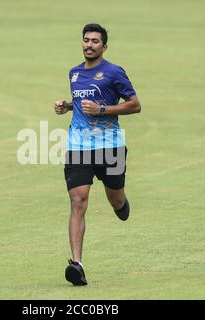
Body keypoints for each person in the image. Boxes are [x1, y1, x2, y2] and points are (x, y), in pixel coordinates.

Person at [54, 23, 142, 286]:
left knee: (115, 198)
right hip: (79, 146)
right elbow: (83, 105)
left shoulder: (114, 72)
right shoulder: (74, 73)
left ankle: (121, 202)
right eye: (86, 40)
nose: (89, 45)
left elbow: (135, 105)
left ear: (104, 46)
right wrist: (67, 106)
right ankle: (77, 265)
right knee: (78, 201)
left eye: (95, 41)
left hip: (110, 147)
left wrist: (103, 110)